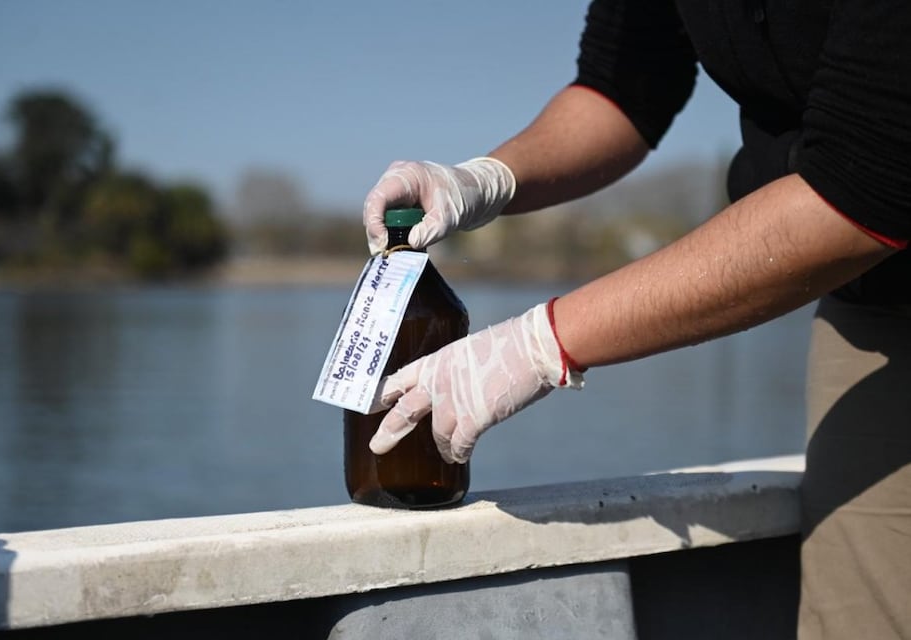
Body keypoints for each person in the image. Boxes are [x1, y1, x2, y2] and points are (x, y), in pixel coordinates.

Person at [360, 3, 910, 639]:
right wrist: (486, 179)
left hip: (862, 221)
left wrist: (542, 342)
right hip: (876, 303)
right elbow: (621, 87)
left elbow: (867, 183)